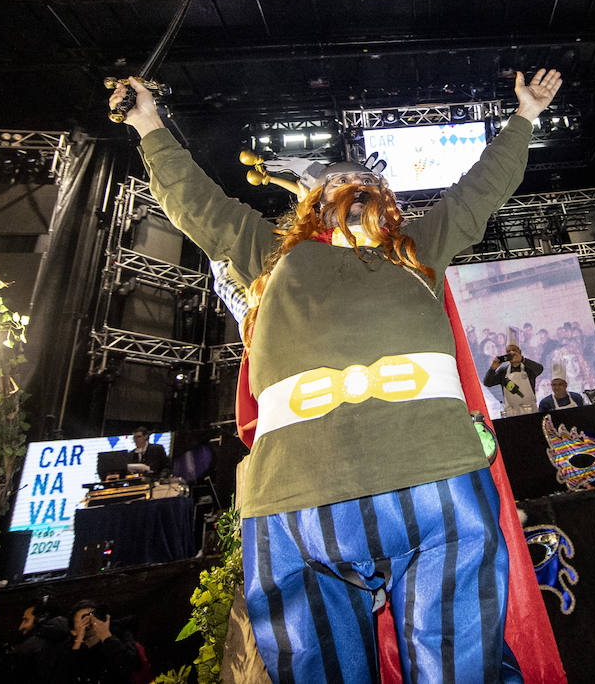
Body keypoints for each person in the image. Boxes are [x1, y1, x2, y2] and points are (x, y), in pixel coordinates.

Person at [110, 68, 561, 683]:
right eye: (337, 182)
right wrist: (147, 124)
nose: (353, 183)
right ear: (309, 205)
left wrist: (527, 117)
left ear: (390, 202)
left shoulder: (418, 248)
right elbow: (196, 201)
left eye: (367, 180)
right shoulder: (267, 253)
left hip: (435, 482)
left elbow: (479, 190)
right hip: (299, 497)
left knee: (462, 665)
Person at [68, 600, 139, 684]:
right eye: (83, 618)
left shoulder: (119, 635)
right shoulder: (68, 648)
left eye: (92, 616)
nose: (89, 621)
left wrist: (107, 638)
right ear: (73, 630)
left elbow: (132, 665)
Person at [483, 342, 544, 417]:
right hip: (511, 413)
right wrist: (493, 368)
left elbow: (540, 369)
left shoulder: (528, 368)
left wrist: (522, 359)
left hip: (530, 411)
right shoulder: (503, 371)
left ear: (520, 352)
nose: (511, 353)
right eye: (508, 352)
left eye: (514, 350)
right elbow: (488, 383)